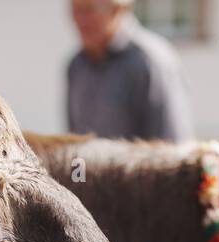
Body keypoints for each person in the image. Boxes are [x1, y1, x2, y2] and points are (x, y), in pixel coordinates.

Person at [66, 0, 194, 142]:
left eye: (89, 10)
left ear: (117, 9)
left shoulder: (151, 61)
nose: (81, 19)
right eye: (76, 9)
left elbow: (173, 145)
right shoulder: (77, 65)